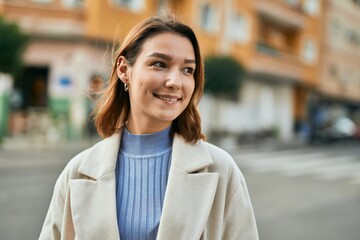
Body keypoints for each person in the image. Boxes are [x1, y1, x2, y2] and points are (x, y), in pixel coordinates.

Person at [39, 15, 259, 240]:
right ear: (124, 70)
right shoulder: (76, 173)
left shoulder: (222, 171)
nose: (175, 81)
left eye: (187, 70)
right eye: (159, 64)